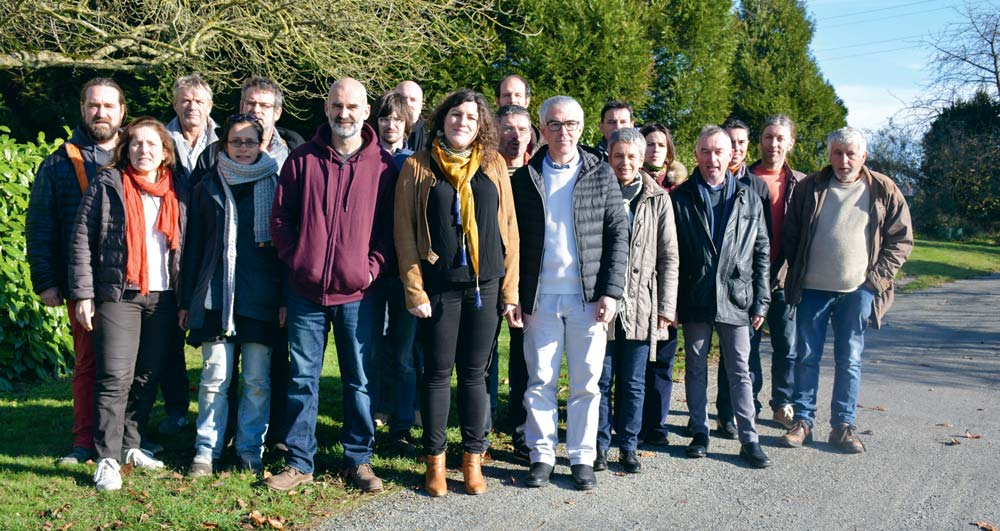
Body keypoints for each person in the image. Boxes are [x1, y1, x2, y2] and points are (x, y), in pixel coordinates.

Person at [267, 78, 396, 493]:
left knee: (359, 380)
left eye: (352, 107)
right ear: (326, 108)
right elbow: (281, 219)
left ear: (365, 111)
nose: (344, 114)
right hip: (305, 292)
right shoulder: (301, 160)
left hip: (360, 294)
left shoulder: (384, 166)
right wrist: (299, 259)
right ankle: (299, 461)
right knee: (303, 378)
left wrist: (371, 269)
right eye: (337, 106)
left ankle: (358, 460)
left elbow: (392, 230)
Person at [395, 89, 520, 496]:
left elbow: (509, 227)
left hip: (485, 286)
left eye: (470, 116)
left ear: (480, 123)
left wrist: (510, 290)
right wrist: (415, 290)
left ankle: (472, 458)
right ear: (442, 119)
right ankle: (435, 461)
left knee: (473, 375)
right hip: (440, 288)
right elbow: (405, 234)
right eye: (455, 114)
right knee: (435, 374)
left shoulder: (494, 163)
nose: (461, 121)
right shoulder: (418, 166)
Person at [510, 95, 628, 491]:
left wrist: (611, 292)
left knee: (586, 383)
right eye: (555, 124)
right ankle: (541, 455)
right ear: (542, 130)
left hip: (588, 298)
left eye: (571, 124)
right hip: (540, 298)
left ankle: (581, 457)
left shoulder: (600, 173)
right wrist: (514, 296)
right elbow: (512, 242)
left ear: (582, 128)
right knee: (539, 380)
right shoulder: (524, 178)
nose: (564, 132)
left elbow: (617, 235)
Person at [69, 116, 188, 491]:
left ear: (165, 151)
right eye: (136, 143)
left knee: (146, 375)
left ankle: (131, 444)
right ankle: (106, 458)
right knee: (114, 376)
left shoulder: (177, 189)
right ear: (126, 147)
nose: (143, 150)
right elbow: (81, 240)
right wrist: (84, 294)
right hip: (120, 294)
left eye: (152, 144)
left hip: (163, 296)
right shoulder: (108, 185)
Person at [780, 127, 913, 453]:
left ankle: (842, 426)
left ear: (863, 156)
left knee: (849, 359)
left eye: (851, 153)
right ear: (829, 155)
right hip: (812, 289)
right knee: (806, 357)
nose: (844, 159)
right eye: (837, 153)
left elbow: (901, 240)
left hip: (858, 291)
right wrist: (794, 275)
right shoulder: (810, 187)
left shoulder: (883, 189)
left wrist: (874, 283)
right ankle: (803, 423)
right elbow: (791, 235)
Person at [26, 78, 127, 466]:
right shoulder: (57, 162)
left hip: (130, 282)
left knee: (127, 367)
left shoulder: (138, 153)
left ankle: (128, 440)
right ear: (83, 109)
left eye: (108, 106)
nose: (100, 112)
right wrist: (46, 281)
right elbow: (40, 225)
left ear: (122, 111)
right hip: (80, 282)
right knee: (89, 365)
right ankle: (84, 441)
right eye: (93, 105)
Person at [179, 113, 285, 477]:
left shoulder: (277, 184)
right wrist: (185, 302)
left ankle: (249, 450)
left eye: (250, 142)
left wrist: (285, 299)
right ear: (223, 145)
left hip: (261, 299)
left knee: (257, 381)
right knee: (214, 379)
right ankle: (205, 452)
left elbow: (285, 250)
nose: (243, 149)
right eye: (235, 142)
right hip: (214, 299)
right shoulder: (206, 186)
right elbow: (192, 248)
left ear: (262, 144)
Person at [671, 125, 772, 468]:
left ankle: (750, 438)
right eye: (705, 151)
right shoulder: (680, 197)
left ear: (732, 155)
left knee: (740, 370)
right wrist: (671, 302)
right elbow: (670, 256)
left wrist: (762, 300)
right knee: (696, 367)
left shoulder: (749, 197)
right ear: (696, 154)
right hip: (695, 295)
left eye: (719, 152)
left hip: (736, 296)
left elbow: (761, 252)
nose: (712, 159)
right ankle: (699, 431)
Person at [595, 128, 678, 474]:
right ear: (609, 156)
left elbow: (669, 256)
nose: (624, 163)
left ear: (641, 159)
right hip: (602, 304)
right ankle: (598, 446)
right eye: (618, 156)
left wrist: (666, 308)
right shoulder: (596, 191)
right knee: (599, 381)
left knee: (633, 382)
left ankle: (628, 445)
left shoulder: (657, 197)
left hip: (642, 303)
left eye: (631, 156)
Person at [158, 73, 218, 437]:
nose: (191, 106)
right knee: (167, 335)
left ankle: (219, 414)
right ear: (175, 103)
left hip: (211, 244)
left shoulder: (225, 139)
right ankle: (177, 408)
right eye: (184, 100)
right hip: (170, 245)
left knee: (216, 333)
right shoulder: (160, 140)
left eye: (198, 100)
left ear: (209, 105)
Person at [746, 115, 806, 429]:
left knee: (787, 346)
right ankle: (749, 403)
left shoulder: (801, 183)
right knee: (749, 346)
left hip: (783, 278)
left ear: (790, 143)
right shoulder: (744, 177)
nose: (774, 144)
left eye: (781, 138)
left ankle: (783, 403)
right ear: (761, 141)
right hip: (748, 280)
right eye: (769, 137)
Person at [366, 90, 420, 443]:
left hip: (403, 270)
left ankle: (403, 420)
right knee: (370, 350)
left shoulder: (414, 162)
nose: (390, 125)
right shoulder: (364, 159)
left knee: (403, 352)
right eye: (385, 118)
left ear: (407, 124)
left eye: (398, 120)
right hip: (369, 269)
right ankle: (369, 415)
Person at [714, 117, 772, 439]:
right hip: (712, 286)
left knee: (740, 358)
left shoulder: (756, 188)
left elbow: (764, 245)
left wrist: (760, 296)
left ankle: (739, 414)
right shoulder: (709, 182)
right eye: (730, 142)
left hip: (742, 288)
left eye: (741, 144)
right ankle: (724, 415)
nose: (735, 149)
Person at [637, 122, 687, 446]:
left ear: (669, 151)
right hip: (640, 286)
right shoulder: (631, 183)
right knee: (637, 361)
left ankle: (655, 424)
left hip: (671, 286)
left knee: (663, 362)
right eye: (649, 144)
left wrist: (674, 302)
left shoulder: (681, 192)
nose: (655, 149)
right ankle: (630, 422)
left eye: (660, 144)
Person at [640, 122, 688, 191]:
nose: (656, 149)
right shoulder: (631, 179)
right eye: (650, 144)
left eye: (661, 145)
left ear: (668, 150)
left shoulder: (680, 185)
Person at [396, 80, 426, 156]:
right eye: (402, 99)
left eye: (413, 100)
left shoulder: (432, 137)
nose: (408, 103)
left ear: (421, 105)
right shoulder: (378, 133)